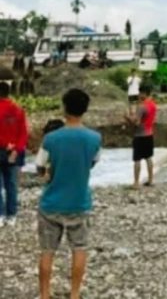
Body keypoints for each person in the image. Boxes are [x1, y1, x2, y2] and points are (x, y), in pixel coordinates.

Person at [35, 88, 101, 299]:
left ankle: (45, 294)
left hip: (51, 203)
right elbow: (92, 163)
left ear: (65, 108)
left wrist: (49, 173)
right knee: (79, 248)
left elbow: (40, 165)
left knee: (47, 251)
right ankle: (74, 294)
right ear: (85, 109)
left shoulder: (51, 138)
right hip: (79, 202)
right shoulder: (95, 138)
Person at [0, 81, 28, 227]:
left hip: (1, 150)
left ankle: (0, 214)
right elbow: (24, 133)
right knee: (11, 185)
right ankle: (12, 215)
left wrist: (5, 145)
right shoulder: (18, 110)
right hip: (16, 152)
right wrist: (16, 149)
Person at [126, 84, 157, 188]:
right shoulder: (153, 105)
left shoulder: (142, 106)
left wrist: (127, 117)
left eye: (140, 93)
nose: (139, 95)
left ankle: (136, 183)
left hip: (140, 135)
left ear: (144, 93)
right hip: (150, 134)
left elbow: (136, 123)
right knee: (148, 158)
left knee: (137, 159)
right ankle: (151, 180)